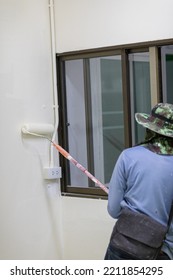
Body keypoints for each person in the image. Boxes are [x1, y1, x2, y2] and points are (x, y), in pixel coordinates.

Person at [105, 103, 173, 260]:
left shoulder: (128, 156)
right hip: (163, 253)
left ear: (150, 129)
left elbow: (113, 210)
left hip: (124, 245)